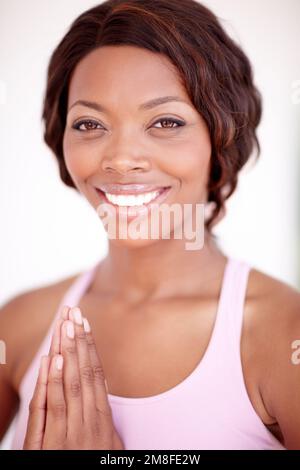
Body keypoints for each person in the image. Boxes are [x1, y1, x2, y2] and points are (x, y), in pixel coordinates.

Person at [0, 0, 299, 450]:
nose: (120, 159)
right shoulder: (21, 325)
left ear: (220, 137)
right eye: (89, 123)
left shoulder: (283, 335)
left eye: (165, 121)